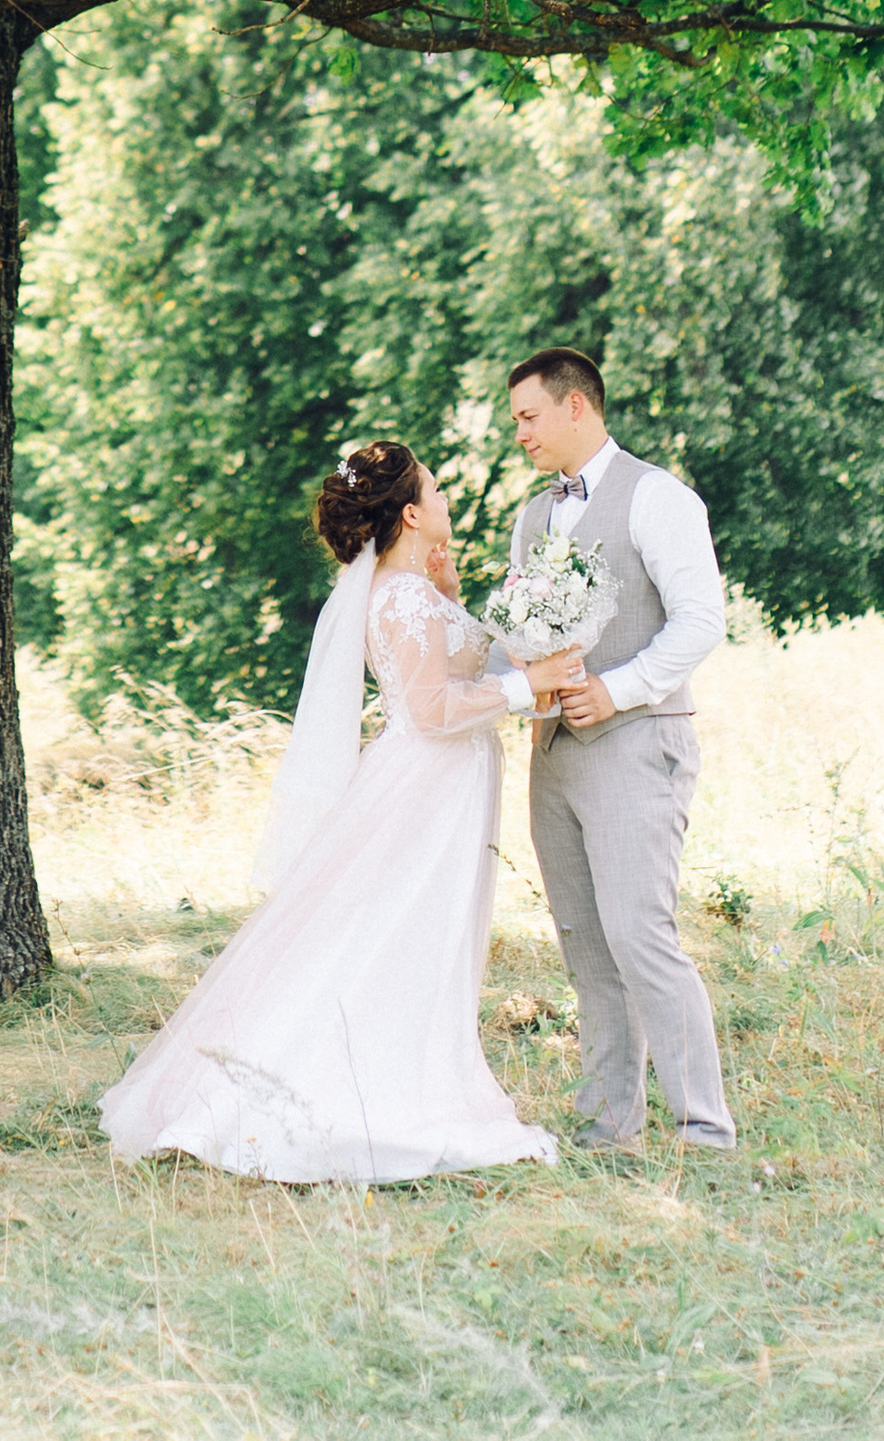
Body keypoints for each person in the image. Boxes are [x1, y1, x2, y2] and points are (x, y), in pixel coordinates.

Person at [99, 437, 582, 1184]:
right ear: (411, 513)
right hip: (427, 786)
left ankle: (391, 1064)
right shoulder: (403, 596)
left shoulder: (409, 587)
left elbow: (441, 674)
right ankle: (366, 1089)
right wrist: (529, 682)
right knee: (400, 930)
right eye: (436, 489)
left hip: (441, 781)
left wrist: (455, 597)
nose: (446, 499)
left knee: (404, 928)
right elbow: (430, 709)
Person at [500, 346, 735, 1155]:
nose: (520, 433)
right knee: (586, 944)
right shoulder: (531, 518)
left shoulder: (658, 497)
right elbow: (523, 637)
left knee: (640, 935)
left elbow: (701, 618)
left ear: (577, 406)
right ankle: (609, 1125)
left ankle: (705, 1127)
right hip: (554, 754)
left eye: (529, 416)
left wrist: (619, 688)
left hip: (636, 742)